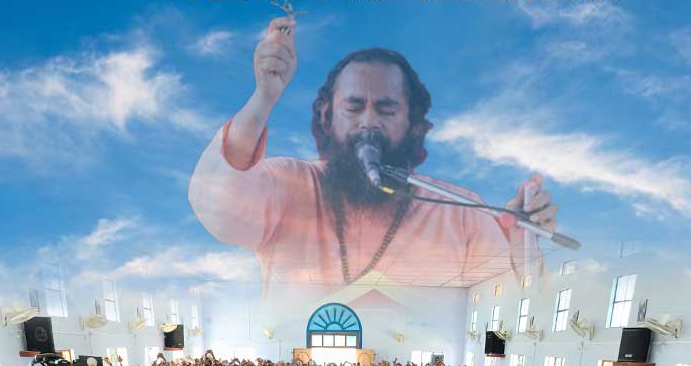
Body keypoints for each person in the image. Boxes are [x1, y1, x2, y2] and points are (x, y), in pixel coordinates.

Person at [188, 18, 556, 289]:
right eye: (353, 107)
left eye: (386, 108)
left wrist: (521, 242)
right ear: (327, 117)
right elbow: (219, 208)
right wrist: (263, 98)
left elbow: (507, 305)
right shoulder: (290, 184)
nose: (368, 122)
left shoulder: (461, 212)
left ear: (414, 124)